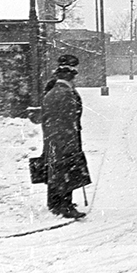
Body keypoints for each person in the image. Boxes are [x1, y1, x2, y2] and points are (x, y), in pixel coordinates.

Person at [42, 56, 91, 218]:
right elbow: (68, 119)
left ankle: (55, 203)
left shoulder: (53, 91)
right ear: (69, 76)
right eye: (73, 76)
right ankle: (64, 206)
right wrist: (71, 141)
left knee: (55, 169)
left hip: (53, 137)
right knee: (65, 170)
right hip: (64, 137)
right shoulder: (64, 94)